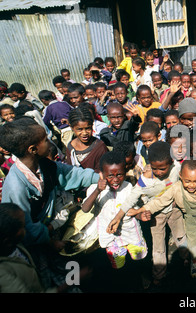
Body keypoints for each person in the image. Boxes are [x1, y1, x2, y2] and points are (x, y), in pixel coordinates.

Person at [0, 118, 99, 250]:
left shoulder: (45, 165)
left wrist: (101, 177)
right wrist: (50, 242)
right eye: (46, 140)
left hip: (48, 226)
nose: (50, 142)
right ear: (33, 149)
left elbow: (71, 175)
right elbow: (26, 228)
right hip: (34, 242)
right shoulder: (15, 186)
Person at [128, 160, 196, 280]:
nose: (191, 185)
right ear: (181, 176)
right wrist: (139, 210)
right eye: (187, 181)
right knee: (191, 243)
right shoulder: (176, 188)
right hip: (189, 221)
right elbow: (160, 202)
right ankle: (194, 262)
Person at [111, 141, 186, 286]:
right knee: (158, 248)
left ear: (171, 162)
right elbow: (131, 199)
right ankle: (159, 274)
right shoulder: (145, 181)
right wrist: (118, 216)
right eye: (155, 168)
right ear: (150, 163)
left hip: (174, 211)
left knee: (181, 237)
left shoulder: (177, 168)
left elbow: (183, 183)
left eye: (163, 169)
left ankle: (188, 258)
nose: (158, 172)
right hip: (156, 214)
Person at [81, 151, 147, 271]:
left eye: (120, 175)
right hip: (110, 238)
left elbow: (133, 210)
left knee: (138, 258)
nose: (115, 180)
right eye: (110, 176)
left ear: (125, 173)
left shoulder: (128, 187)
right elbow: (85, 209)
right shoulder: (95, 189)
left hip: (131, 233)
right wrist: (97, 191)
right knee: (118, 265)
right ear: (101, 174)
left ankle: (140, 276)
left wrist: (140, 215)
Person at [65, 107, 109, 173]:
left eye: (88, 128)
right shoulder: (71, 146)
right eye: (79, 129)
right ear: (72, 128)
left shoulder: (100, 147)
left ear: (92, 126)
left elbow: (102, 171)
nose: (85, 133)